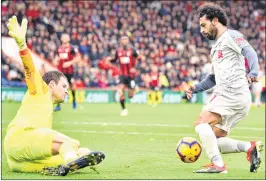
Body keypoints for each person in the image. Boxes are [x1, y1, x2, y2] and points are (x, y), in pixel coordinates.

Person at [4, 15, 105, 176]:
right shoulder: (40, 90)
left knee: (82, 150)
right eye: (64, 86)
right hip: (19, 139)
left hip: (19, 162)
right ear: (51, 85)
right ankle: (71, 160)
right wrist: (22, 45)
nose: (66, 91)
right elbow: (30, 69)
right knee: (72, 143)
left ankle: (69, 162)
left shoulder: (48, 108)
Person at [185, 3, 263, 173]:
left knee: (200, 123)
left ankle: (218, 165)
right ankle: (249, 147)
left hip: (231, 93)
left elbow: (250, 52)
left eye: (203, 25)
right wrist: (195, 88)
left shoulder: (231, 36)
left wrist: (254, 71)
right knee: (212, 138)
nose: (202, 30)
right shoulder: (215, 48)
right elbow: (213, 78)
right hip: (238, 98)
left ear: (215, 21)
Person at [106, 34, 139, 116]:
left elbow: (139, 59)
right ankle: (124, 109)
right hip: (122, 75)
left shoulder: (133, 51)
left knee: (130, 96)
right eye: (123, 39)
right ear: (120, 41)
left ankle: (134, 89)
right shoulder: (118, 51)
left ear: (128, 41)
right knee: (120, 91)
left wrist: (135, 67)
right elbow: (115, 59)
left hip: (131, 75)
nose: (124, 41)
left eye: (125, 39)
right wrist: (110, 60)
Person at [53, 33, 81, 111]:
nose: (63, 38)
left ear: (68, 39)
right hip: (60, 71)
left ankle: (74, 100)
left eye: (64, 37)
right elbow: (57, 57)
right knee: (59, 87)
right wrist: (55, 60)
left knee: (71, 86)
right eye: (62, 37)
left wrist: (70, 63)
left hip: (69, 71)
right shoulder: (59, 48)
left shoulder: (72, 48)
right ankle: (58, 105)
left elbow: (78, 58)